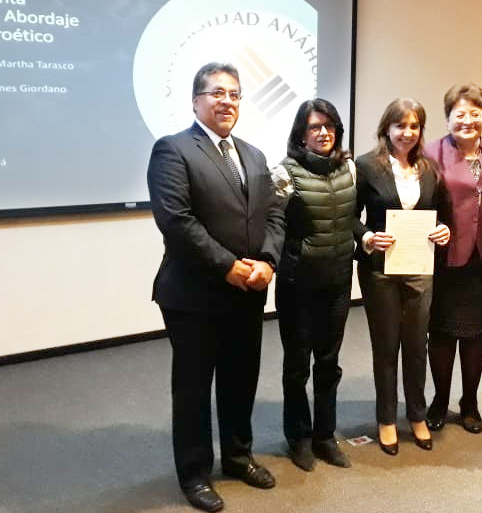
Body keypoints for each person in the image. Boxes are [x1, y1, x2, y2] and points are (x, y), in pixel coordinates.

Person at [146, 62, 285, 512]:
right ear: (195, 101)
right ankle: (194, 473)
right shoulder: (173, 150)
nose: (227, 101)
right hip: (194, 295)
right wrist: (229, 267)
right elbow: (177, 222)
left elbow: (274, 215)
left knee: (240, 379)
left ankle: (239, 456)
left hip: (248, 291)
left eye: (235, 94)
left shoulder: (254, 154)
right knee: (192, 387)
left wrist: (267, 260)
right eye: (217, 93)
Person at [353, 98, 451, 455]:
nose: (407, 133)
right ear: (387, 128)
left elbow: (444, 216)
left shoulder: (430, 168)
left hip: (419, 268)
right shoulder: (366, 166)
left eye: (414, 127)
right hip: (380, 269)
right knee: (385, 346)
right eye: (400, 126)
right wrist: (366, 236)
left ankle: (417, 415)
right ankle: (386, 419)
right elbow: (350, 216)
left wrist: (444, 230)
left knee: (416, 345)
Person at [424, 84, 482, 434]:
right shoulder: (429, 153)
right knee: (443, 333)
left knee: (476, 334)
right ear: (447, 117)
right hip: (445, 257)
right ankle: (439, 400)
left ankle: (470, 403)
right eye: (459, 114)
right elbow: (416, 201)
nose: (467, 120)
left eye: (474, 113)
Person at [270, 99, 355, 471]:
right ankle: (298, 437)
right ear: (301, 135)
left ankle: (325, 435)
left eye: (329, 126)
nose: (323, 133)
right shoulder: (283, 173)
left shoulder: (348, 168)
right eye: (314, 127)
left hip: (337, 281)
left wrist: (365, 241)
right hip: (298, 284)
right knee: (297, 365)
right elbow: (273, 224)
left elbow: (350, 220)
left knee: (328, 362)